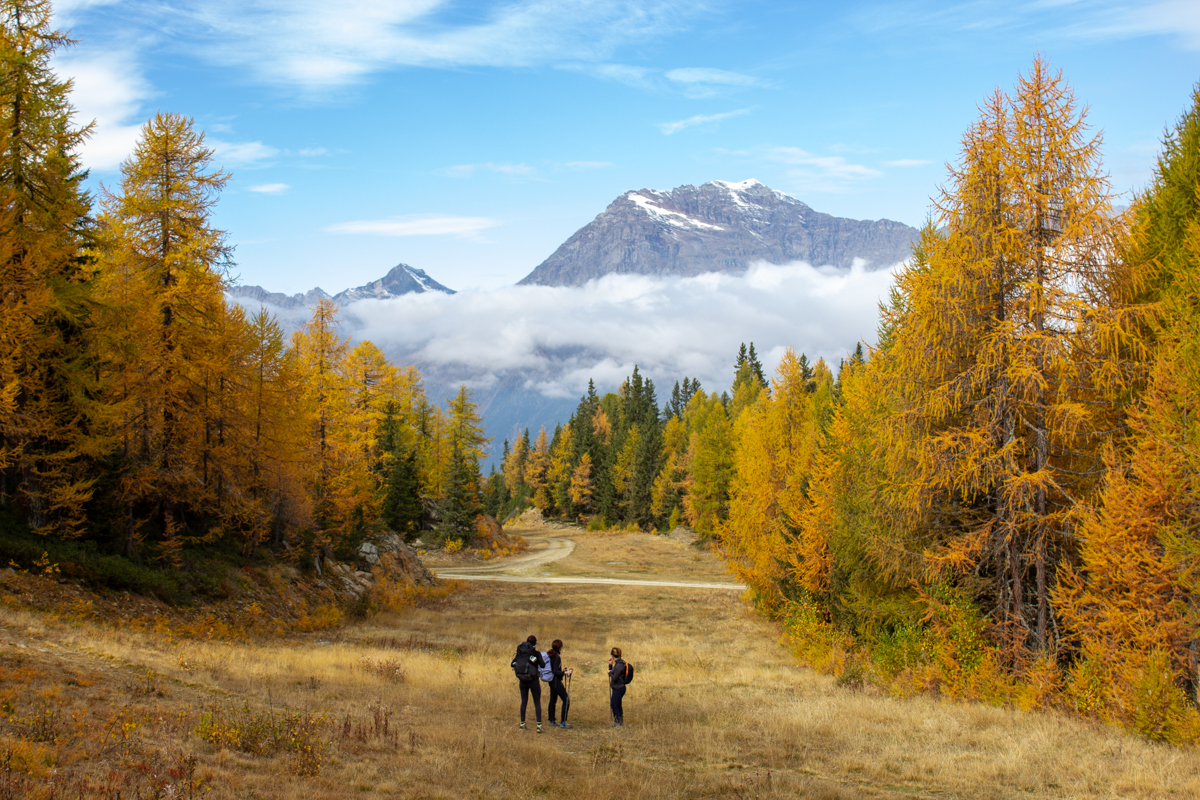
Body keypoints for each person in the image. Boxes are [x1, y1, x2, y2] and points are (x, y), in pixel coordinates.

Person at [513, 634, 547, 732]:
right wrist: (535, 661)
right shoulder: (536, 653)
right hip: (533, 681)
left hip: (522, 681)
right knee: (537, 702)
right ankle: (539, 725)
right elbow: (542, 665)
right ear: (535, 643)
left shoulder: (520, 654)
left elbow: (512, 663)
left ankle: (522, 723)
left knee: (524, 701)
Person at [546, 639, 573, 729]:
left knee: (553, 700)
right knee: (566, 700)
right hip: (556, 681)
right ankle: (563, 722)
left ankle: (552, 720)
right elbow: (555, 671)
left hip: (551, 681)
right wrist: (565, 673)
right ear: (560, 647)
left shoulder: (550, 655)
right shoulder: (557, 657)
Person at [607, 646, 627, 728]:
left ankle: (618, 722)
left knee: (614, 704)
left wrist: (609, 673)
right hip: (619, 688)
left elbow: (614, 677)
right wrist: (610, 666)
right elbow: (615, 674)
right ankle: (620, 721)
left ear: (612, 655)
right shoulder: (620, 663)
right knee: (618, 704)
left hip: (618, 688)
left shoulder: (619, 665)